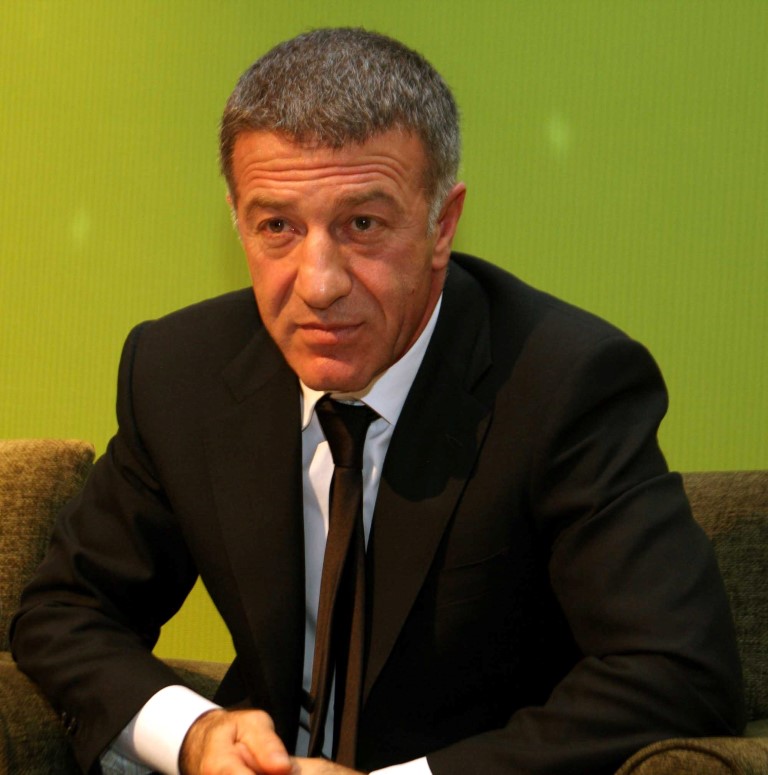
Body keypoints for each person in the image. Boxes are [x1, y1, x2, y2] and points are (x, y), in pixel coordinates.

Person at [11, 27, 744, 775]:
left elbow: (679, 670)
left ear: (441, 225)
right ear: (237, 219)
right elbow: (67, 610)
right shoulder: (180, 372)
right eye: (277, 227)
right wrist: (194, 735)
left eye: (362, 225)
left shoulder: (566, 384)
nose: (319, 283)